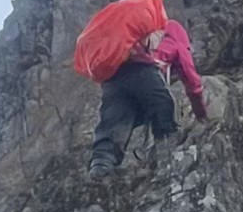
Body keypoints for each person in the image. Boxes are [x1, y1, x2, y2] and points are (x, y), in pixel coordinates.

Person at [88, 14, 209, 177]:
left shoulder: (135, 36)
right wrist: (201, 113)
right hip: (142, 69)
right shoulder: (175, 29)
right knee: (163, 107)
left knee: (114, 120)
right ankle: (168, 157)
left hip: (113, 75)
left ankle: (101, 166)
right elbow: (189, 74)